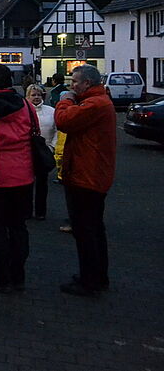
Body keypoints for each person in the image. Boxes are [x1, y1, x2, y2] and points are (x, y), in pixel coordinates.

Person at [54, 64, 116, 297]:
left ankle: (89, 281)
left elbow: (64, 121)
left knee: (85, 230)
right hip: (93, 175)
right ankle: (98, 276)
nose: (72, 86)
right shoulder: (100, 102)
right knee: (94, 228)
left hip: (86, 176)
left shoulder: (94, 104)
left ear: (87, 83)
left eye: (75, 82)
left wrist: (65, 101)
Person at [0, 63, 35, 294]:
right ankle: (18, 276)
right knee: (19, 227)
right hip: (24, 174)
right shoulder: (26, 105)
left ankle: (1, 277)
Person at [25, 83, 57, 220]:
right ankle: (26, 210)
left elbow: (57, 130)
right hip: (27, 152)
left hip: (45, 153)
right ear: (27, 97)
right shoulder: (22, 112)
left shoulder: (51, 111)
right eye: (33, 95)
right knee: (27, 184)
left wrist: (52, 147)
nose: (36, 97)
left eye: (39, 94)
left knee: (42, 184)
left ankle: (40, 212)